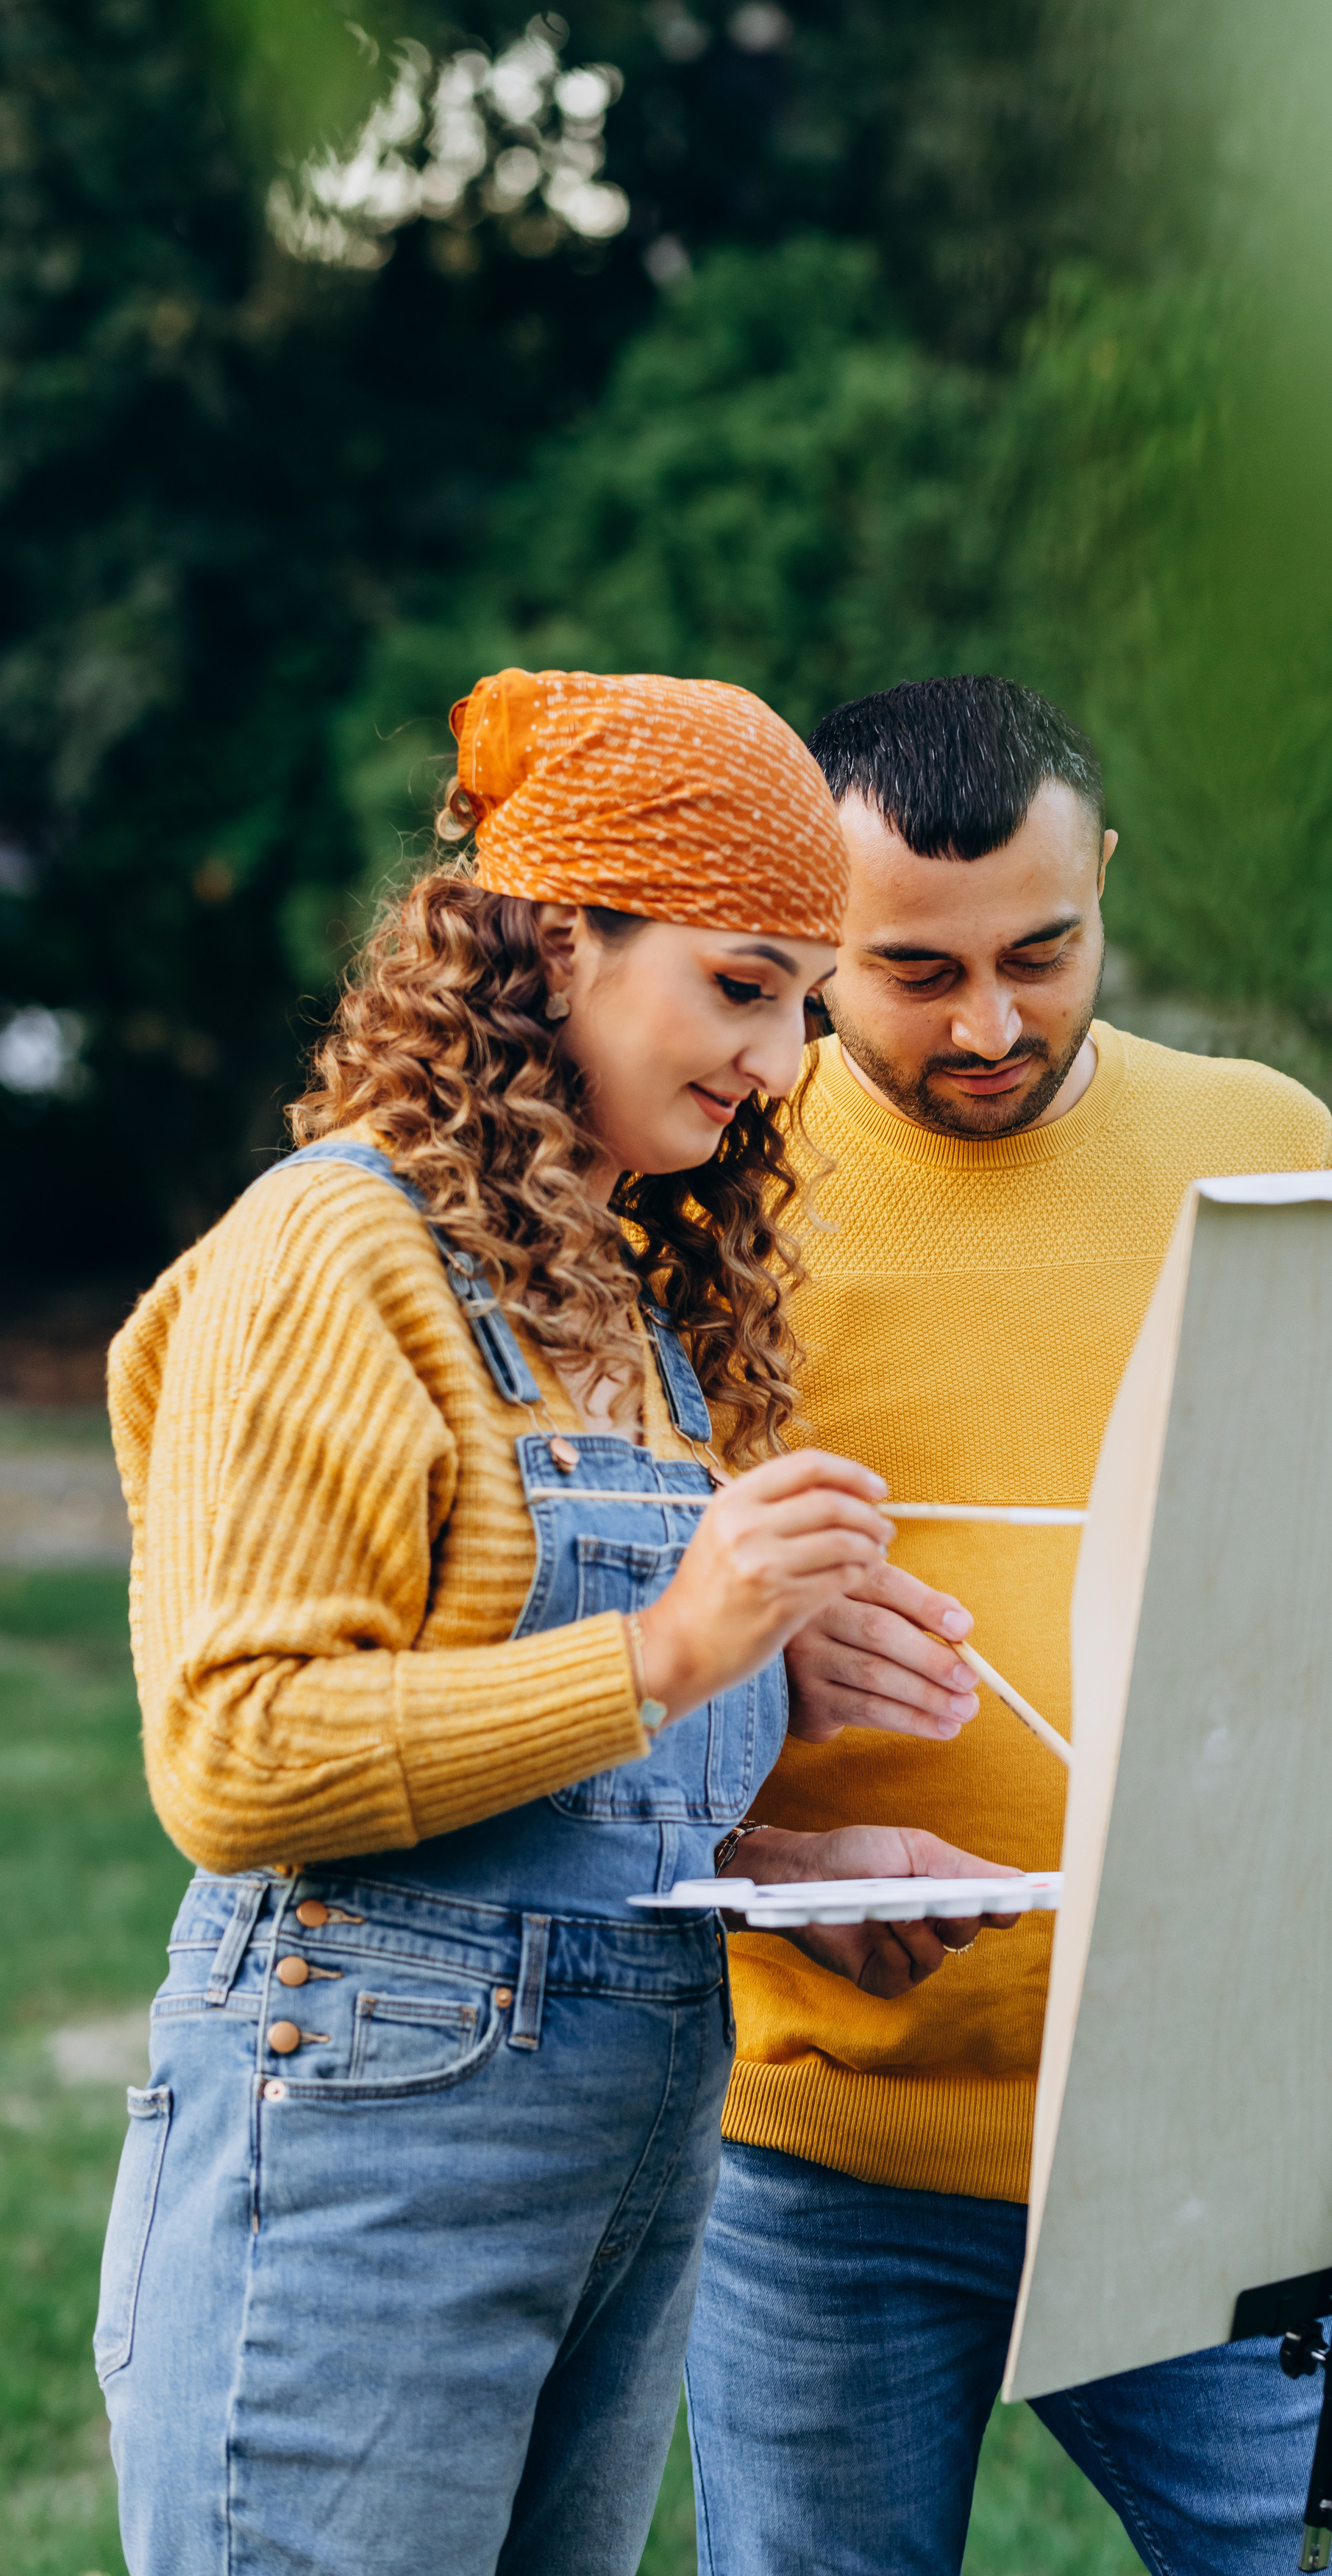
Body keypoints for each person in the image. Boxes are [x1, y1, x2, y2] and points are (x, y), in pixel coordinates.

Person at [94, 666, 1011, 2576]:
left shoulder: (632, 1305)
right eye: (739, 985)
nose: (779, 1063)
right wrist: (682, 1643)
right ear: (554, 936)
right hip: (367, 2139)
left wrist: (792, 1857)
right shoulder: (332, 1254)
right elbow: (241, 1754)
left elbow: (580, 1792)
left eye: (802, 1005)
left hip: (629, 2154)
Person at [684, 674, 1332, 2576]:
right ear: (801, 936)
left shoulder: (1263, 1137)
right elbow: (600, 1655)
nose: (991, 1023)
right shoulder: (705, 1182)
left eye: (1044, 951)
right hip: (822, 2154)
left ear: (1109, 884)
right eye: (911, 971)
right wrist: (766, 1789)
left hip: (1221, 2142)